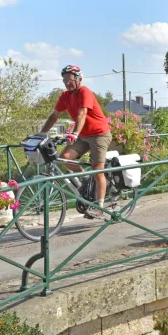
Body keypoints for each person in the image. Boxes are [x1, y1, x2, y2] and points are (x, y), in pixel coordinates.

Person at [40, 65, 112, 220]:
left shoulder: (85, 92)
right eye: (65, 80)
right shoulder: (65, 96)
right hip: (83, 135)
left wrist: (74, 133)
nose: (67, 83)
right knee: (65, 157)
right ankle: (85, 179)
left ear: (79, 79)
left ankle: (100, 207)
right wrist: (41, 134)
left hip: (99, 134)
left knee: (97, 169)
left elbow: (82, 114)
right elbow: (54, 116)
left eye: (71, 80)